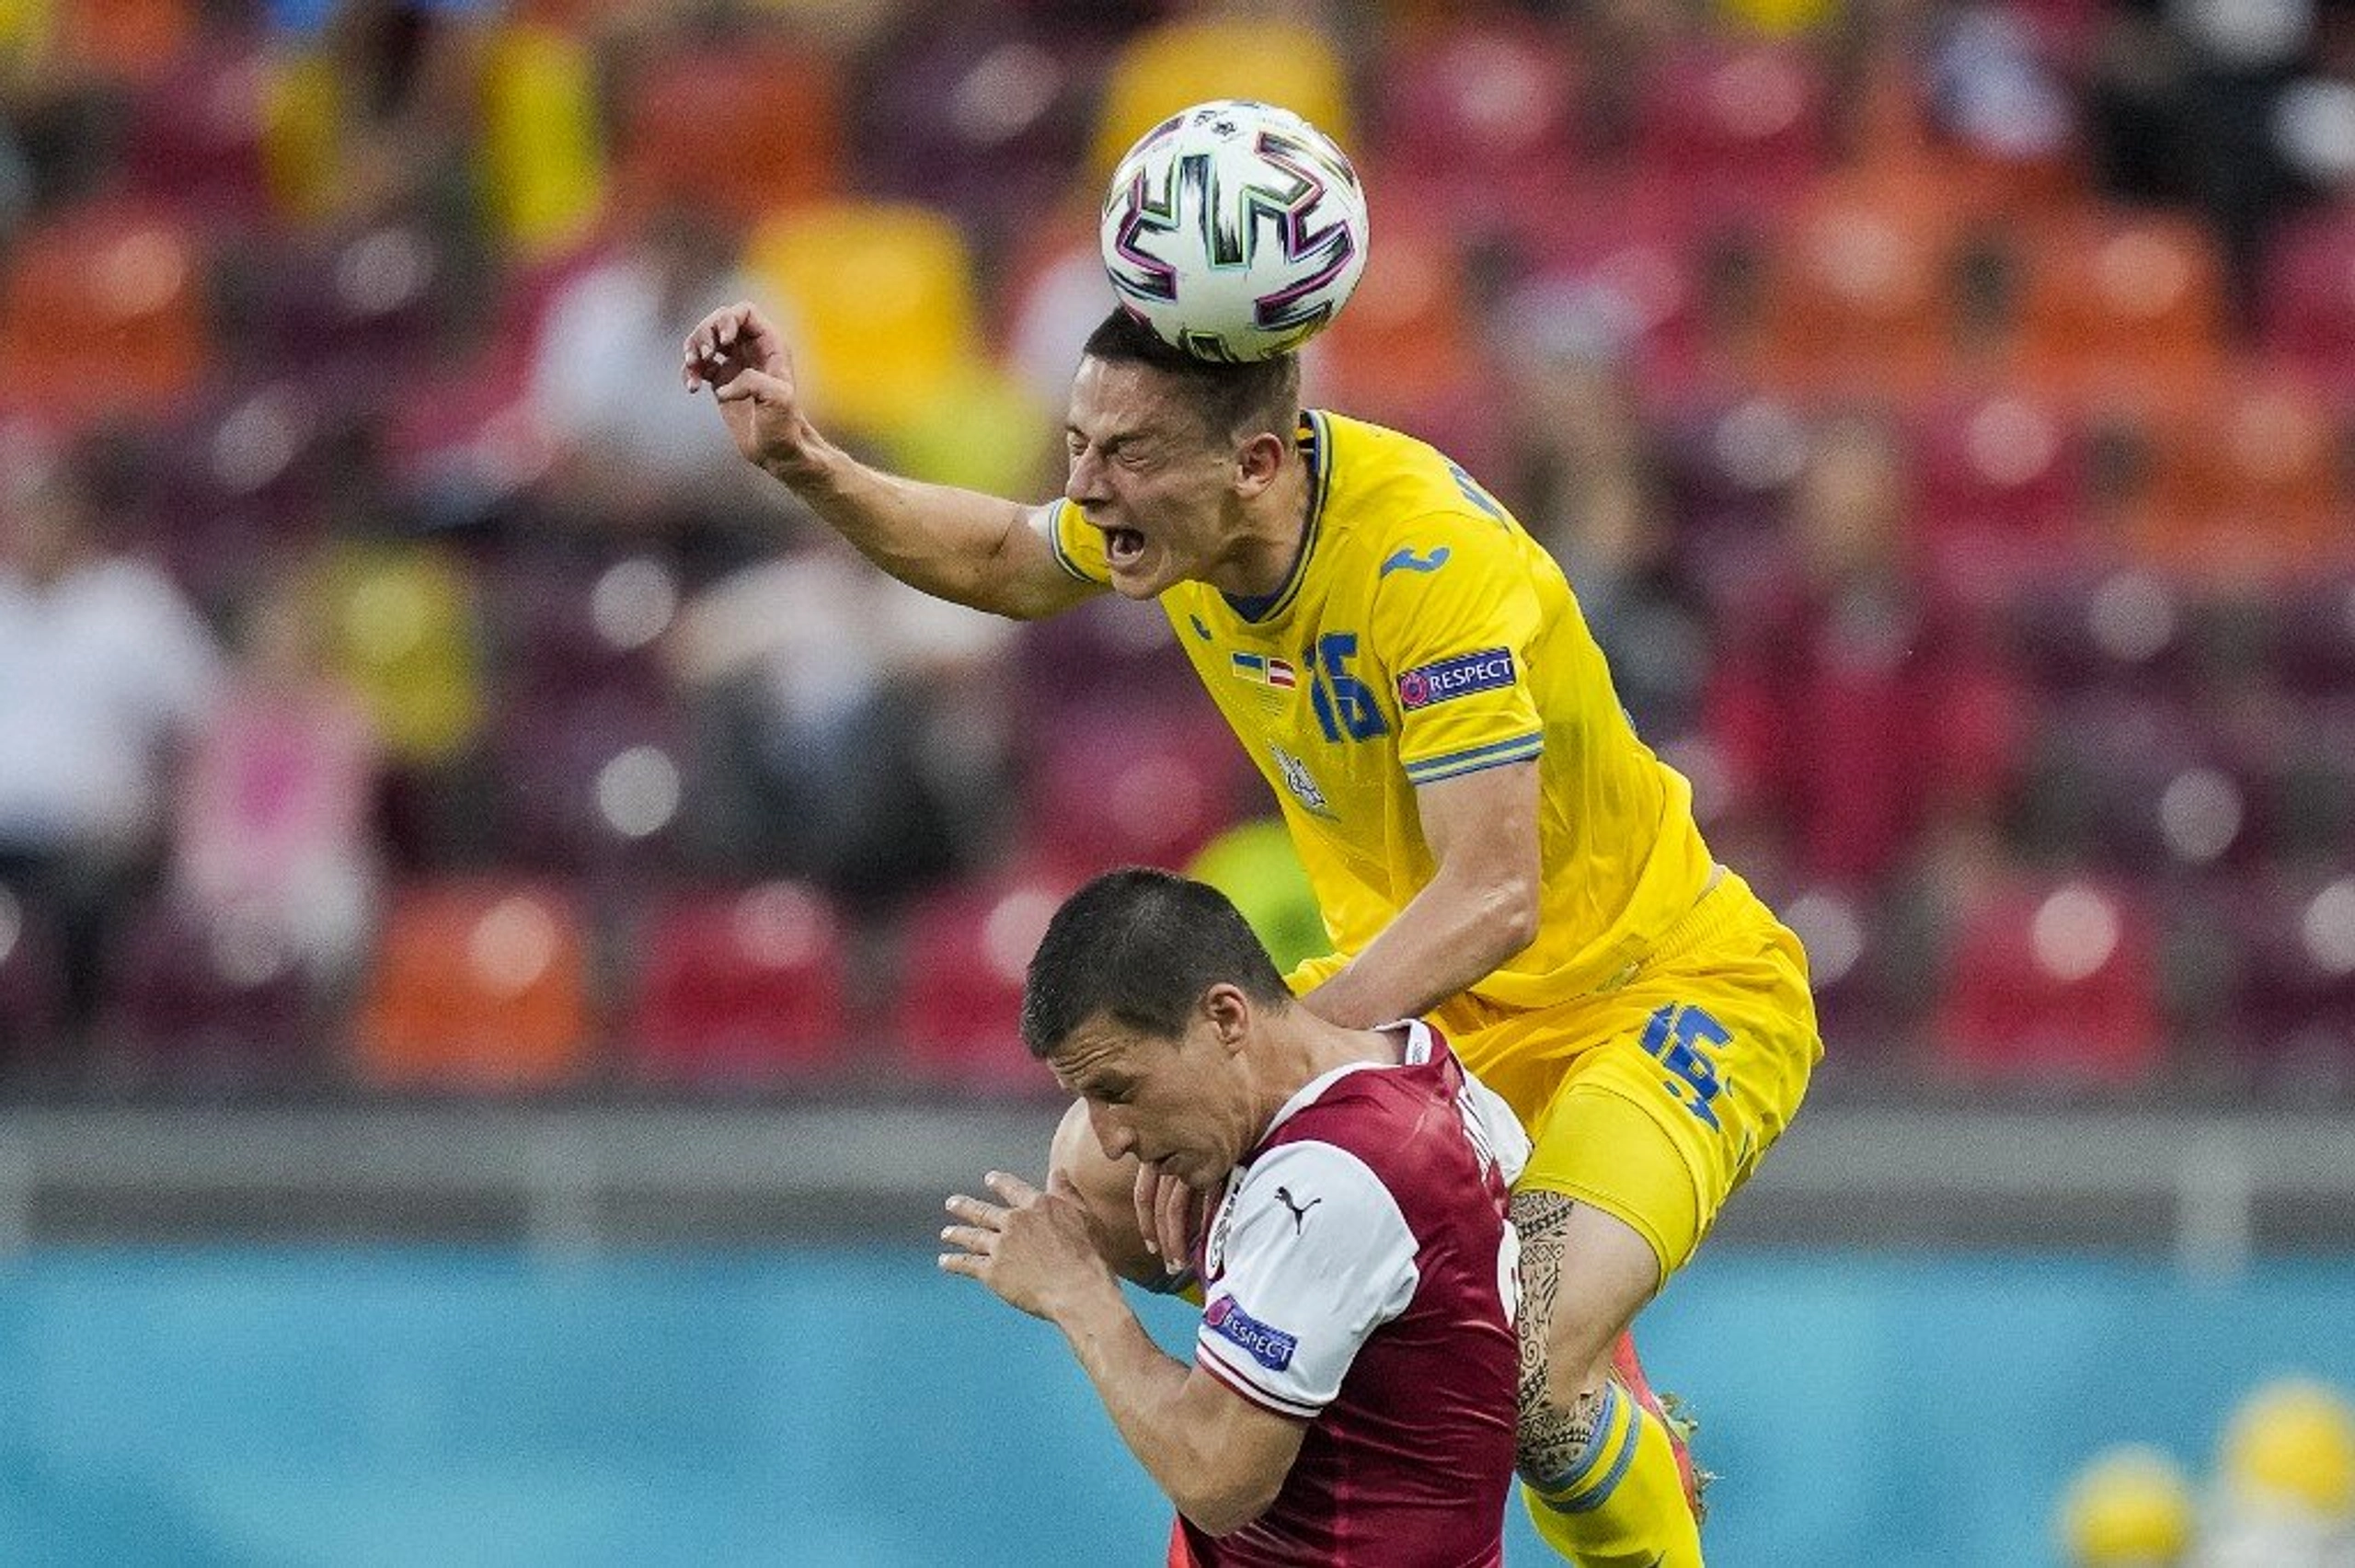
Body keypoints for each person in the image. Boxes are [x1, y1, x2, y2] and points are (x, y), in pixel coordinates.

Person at [684, 295, 1823, 1567]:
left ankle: (1597, 1405)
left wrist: (1267, 1079)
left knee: (1534, 1370)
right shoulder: (1180, 535)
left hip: (1657, 989)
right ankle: (1469, 1302)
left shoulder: (1428, 565)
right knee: (1104, 1172)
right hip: (1443, 1008)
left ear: (1256, 463)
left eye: (1123, 457)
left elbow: (1499, 897)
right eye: (1076, 448)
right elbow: (1002, 555)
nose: (1085, 488)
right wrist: (802, 457)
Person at [938, 867, 1527, 1566]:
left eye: (1118, 1089)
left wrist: (1080, 1294)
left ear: (1226, 1017)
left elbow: (1216, 1477)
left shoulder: (1332, 1182)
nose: (1115, 1135)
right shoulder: (1411, 1061)